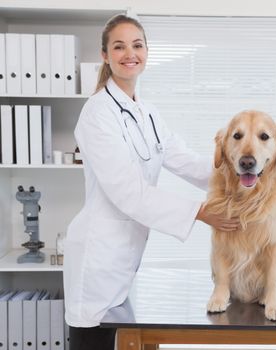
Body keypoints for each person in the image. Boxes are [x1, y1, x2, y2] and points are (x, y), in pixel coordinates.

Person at [63, 14, 240, 350]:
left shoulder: (147, 112)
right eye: (119, 46)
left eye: (137, 45)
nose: (130, 53)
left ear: (146, 51)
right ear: (105, 55)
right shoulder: (97, 113)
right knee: (94, 342)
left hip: (124, 259)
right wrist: (201, 212)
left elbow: (185, 160)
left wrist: (242, 177)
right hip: (98, 260)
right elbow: (128, 192)